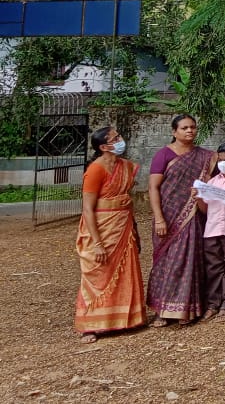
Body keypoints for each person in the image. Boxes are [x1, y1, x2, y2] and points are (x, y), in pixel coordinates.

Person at [75, 126, 147, 342]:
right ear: (104, 147)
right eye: (115, 138)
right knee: (98, 272)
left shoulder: (126, 166)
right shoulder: (95, 170)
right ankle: (90, 325)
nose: (120, 140)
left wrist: (134, 229)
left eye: (119, 136)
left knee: (124, 271)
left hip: (123, 226)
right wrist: (97, 243)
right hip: (101, 227)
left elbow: (127, 202)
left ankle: (124, 320)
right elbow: (88, 209)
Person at [146, 114, 214, 326]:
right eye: (184, 128)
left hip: (194, 216)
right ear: (174, 131)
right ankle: (162, 310)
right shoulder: (164, 155)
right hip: (168, 216)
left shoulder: (206, 157)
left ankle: (186, 310)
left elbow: (210, 188)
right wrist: (159, 218)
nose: (190, 131)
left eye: (193, 127)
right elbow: (153, 187)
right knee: (167, 262)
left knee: (189, 260)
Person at [194, 142, 225, 323]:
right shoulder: (212, 182)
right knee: (213, 268)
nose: (223, 163)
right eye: (220, 160)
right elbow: (205, 209)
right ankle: (213, 304)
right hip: (212, 229)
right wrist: (198, 197)